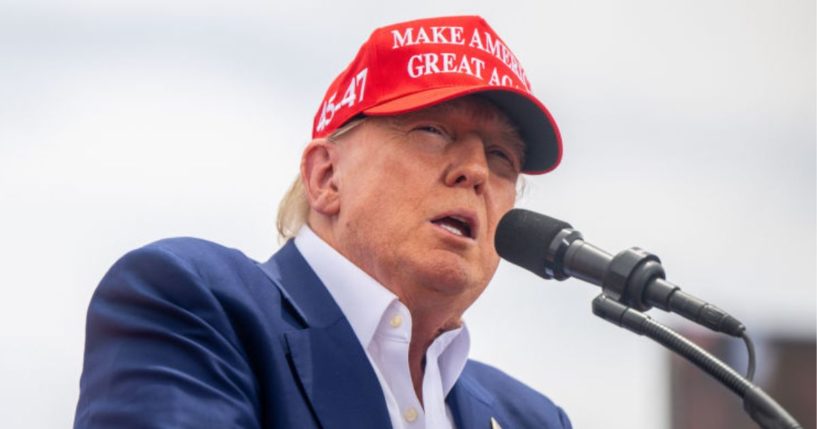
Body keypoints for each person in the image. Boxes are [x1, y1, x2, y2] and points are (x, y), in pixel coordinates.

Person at [74, 15, 571, 429]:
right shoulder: (193, 304)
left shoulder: (534, 418)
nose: (477, 171)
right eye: (433, 130)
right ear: (326, 177)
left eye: (502, 156)